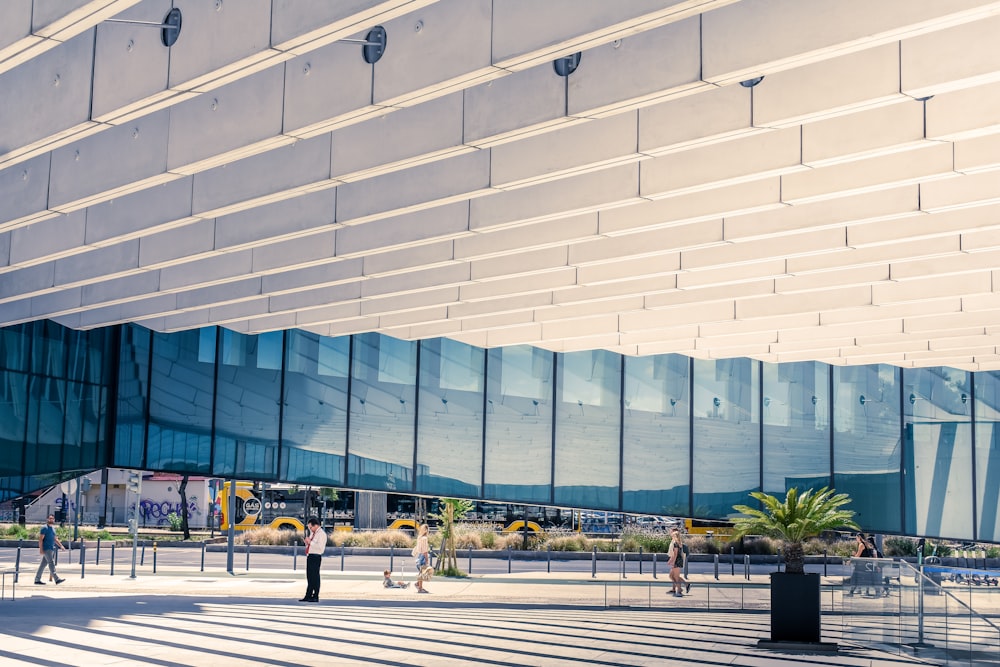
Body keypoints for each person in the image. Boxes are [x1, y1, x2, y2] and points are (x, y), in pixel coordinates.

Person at [300, 517, 327, 602]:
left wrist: (310, 542)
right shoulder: (313, 533)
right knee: (309, 576)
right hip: (310, 555)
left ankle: (315, 595)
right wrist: (307, 543)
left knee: (315, 576)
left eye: (311, 527)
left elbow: (320, 547)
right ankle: (308, 595)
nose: (310, 529)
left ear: (315, 525)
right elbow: (312, 545)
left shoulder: (321, 534)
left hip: (316, 556)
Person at [35, 514, 66, 585]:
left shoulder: (53, 529)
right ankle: (57, 579)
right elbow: (40, 539)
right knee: (51, 563)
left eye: (52, 519)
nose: (51, 520)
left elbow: (55, 539)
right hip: (46, 548)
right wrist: (41, 549)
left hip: (51, 548)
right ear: (47, 519)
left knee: (43, 565)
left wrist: (61, 546)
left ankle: (37, 579)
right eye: (50, 519)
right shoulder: (44, 528)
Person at [667, 527, 689, 598]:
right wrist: (671, 560)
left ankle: (679, 590)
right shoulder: (678, 543)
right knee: (671, 576)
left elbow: (675, 554)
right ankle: (683, 586)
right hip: (677, 560)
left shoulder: (676, 543)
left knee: (676, 577)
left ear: (675, 536)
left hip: (677, 561)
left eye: (673, 535)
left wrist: (672, 562)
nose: (671, 535)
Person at [412, 524, 432, 594]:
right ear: (426, 530)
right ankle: (420, 588)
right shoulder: (425, 538)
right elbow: (425, 550)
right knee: (422, 573)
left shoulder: (419, 537)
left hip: (419, 556)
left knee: (422, 573)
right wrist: (427, 559)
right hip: (423, 556)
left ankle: (418, 585)